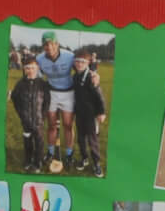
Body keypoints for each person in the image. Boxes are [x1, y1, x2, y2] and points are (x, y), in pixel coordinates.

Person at [34, 34, 76, 165]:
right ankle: (50, 152)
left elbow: (81, 69)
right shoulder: (39, 58)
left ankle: (69, 155)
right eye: (46, 44)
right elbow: (36, 75)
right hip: (51, 93)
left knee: (68, 125)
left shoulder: (69, 56)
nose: (49, 47)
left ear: (57, 44)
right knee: (52, 126)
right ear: (43, 46)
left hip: (68, 93)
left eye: (52, 43)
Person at [9, 56, 49, 171]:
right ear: (24, 69)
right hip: (26, 121)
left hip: (38, 120)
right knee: (27, 141)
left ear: (37, 68)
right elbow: (15, 99)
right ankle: (28, 160)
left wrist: (43, 116)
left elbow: (47, 102)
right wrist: (21, 114)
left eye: (32, 68)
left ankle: (38, 162)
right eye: (27, 68)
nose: (30, 70)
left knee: (39, 142)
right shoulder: (20, 84)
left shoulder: (43, 84)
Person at [71, 51, 107, 173]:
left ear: (88, 63)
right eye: (77, 61)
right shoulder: (75, 76)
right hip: (80, 114)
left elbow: (99, 96)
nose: (79, 64)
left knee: (92, 140)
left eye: (83, 62)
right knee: (81, 139)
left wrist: (102, 112)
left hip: (91, 115)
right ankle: (84, 158)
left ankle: (96, 163)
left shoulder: (92, 77)